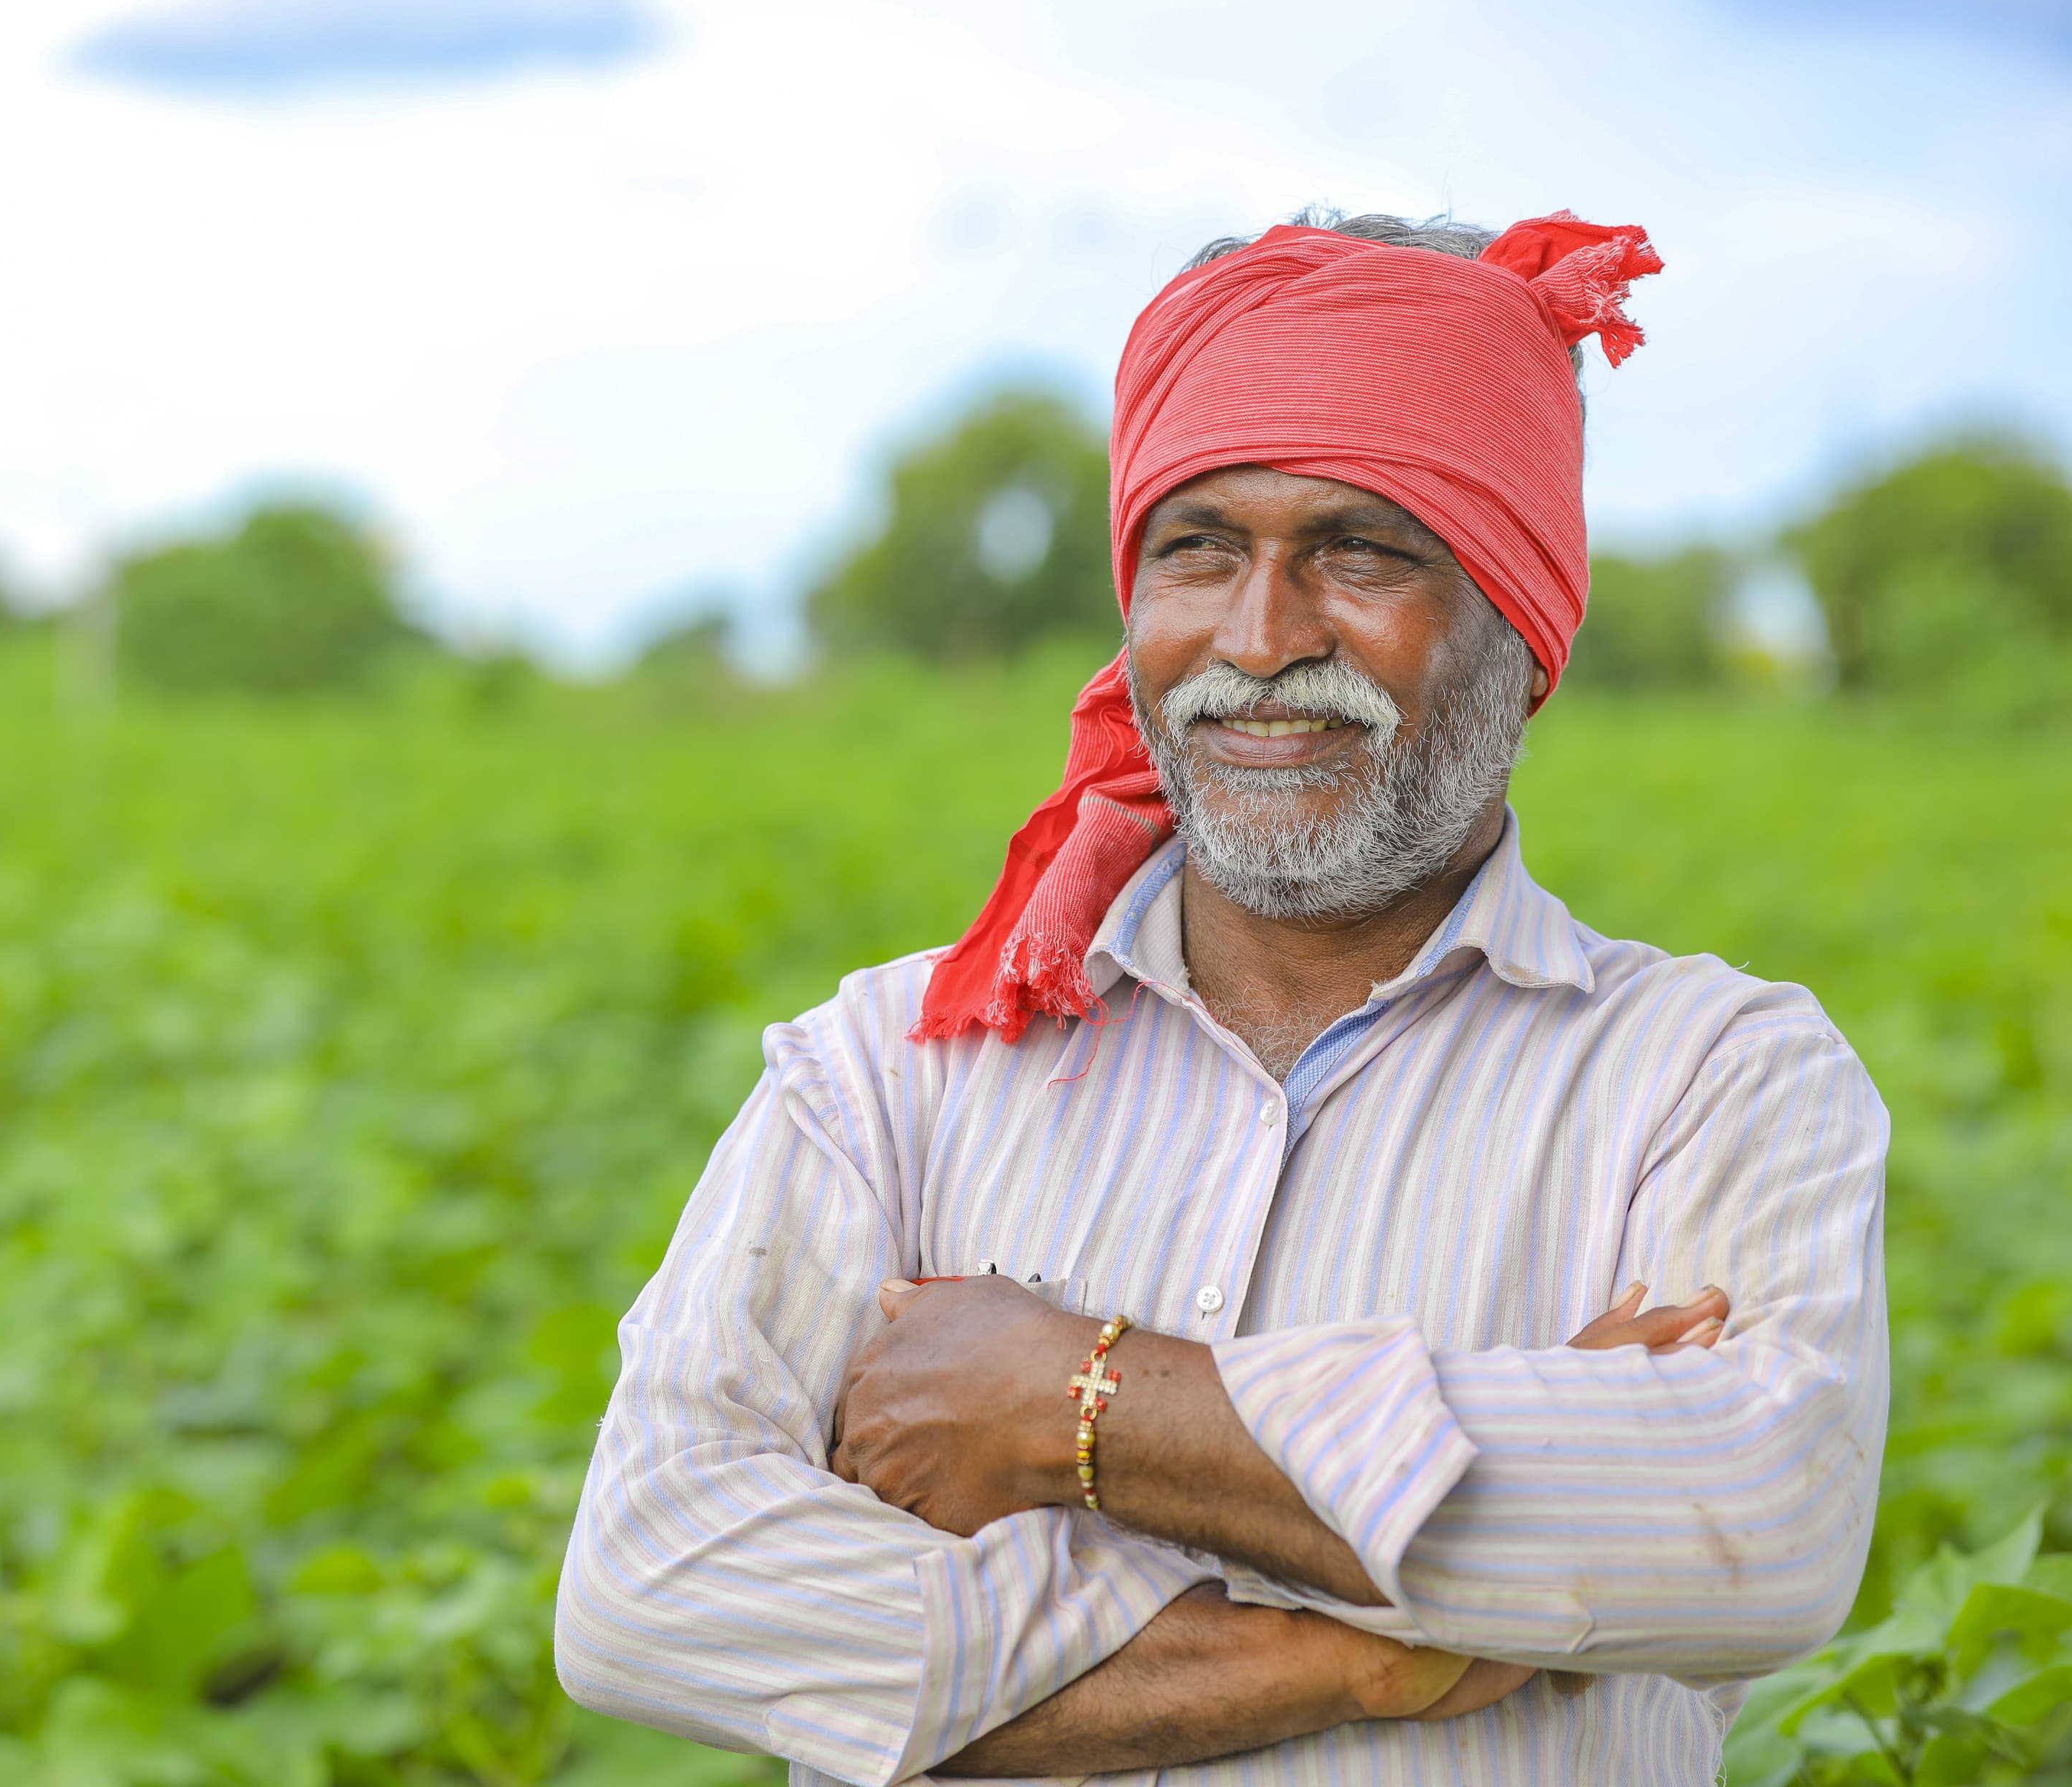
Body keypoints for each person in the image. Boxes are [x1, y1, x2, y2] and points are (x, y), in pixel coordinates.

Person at [552, 211, 1889, 1784]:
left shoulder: (1713, 1074)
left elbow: (1755, 1526)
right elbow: (650, 1587)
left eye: (1361, 549)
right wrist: (1364, 1647)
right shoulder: (892, 1066)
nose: (1260, 639)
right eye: (1199, 548)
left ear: (1522, 635)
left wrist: (1067, 1400)